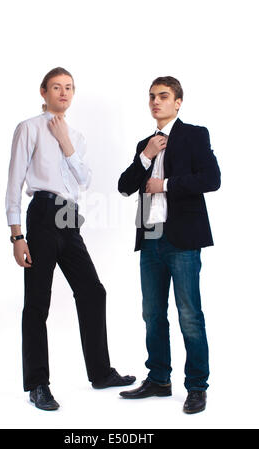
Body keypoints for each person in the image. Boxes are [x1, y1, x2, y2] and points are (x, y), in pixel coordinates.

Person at [5, 67, 135, 411]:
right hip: (43, 214)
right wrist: (17, 235)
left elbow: (84, 179)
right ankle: (37, 384)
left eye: (69, 88)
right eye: (57, 87)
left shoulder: (76, 135)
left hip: (70, 217)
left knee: (93, 291)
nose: (64, 93)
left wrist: (65, 143)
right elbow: (14, 183)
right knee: (37, 301)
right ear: (43, 92)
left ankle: (101, 372)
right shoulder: (28, 128)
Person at [117, 76, 220, 414]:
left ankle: (196, 387)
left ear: (177, 102)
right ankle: (159, 378)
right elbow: (124, 186)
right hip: (149, 238)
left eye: (163, 96)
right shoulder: (144, 143)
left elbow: (211, 179)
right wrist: (145, 156)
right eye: (151, 97)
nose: (155, 102)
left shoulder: (194, 134)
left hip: (183, 238)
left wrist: (167, 184)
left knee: (189, 314)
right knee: (152, 313)